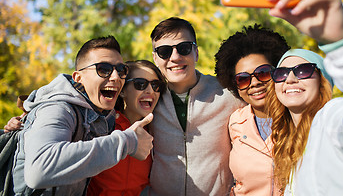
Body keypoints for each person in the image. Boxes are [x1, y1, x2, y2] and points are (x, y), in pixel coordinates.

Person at [11, 36, 154, 195]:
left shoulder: (103, 114)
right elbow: (39, 170)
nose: (115, 77)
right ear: (78, 78)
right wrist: (128, 142)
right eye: (104, 69)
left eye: (121, 70)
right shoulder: (58, 108)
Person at [264, 0, 343, 195]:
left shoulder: (335, 117)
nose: (290, 79)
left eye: (303, 71)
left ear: (323, 81)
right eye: (281, 73)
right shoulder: (284, 142)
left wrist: (341, 41)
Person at [148, 17, 246, 195]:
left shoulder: (228, 93)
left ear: (196, 52)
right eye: (164, 51)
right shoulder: (148, 98)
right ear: (155, 58)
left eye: (184, 48)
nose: (175, 57)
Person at [214, 24, 290, 196]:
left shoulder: (300, 117)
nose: (254, 83)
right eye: (243, 79)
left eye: (263, 73)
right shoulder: (234, 122)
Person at [86, 60, 166, 196]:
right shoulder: (101, 126)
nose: (150, 90)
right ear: (122, 91)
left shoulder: (157, 133)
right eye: (140, 84)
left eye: (155, 85)